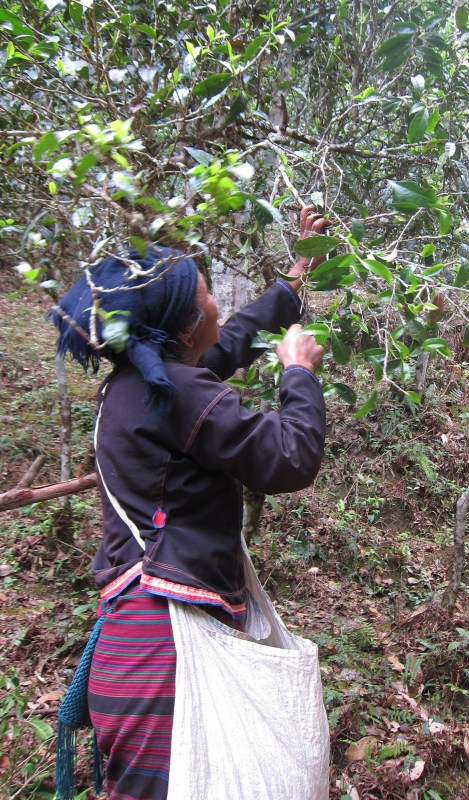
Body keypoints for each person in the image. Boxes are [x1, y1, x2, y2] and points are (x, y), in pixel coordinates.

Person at [51, 206, 329, 800]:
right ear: (181, 330)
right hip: (162, 659)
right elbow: (289, 457)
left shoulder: (140, 380)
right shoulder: (173, 389)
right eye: (206, 295)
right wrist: (299, 374)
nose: (215, 306)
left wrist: (298, 273)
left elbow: (228, 344)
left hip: (134, 648)